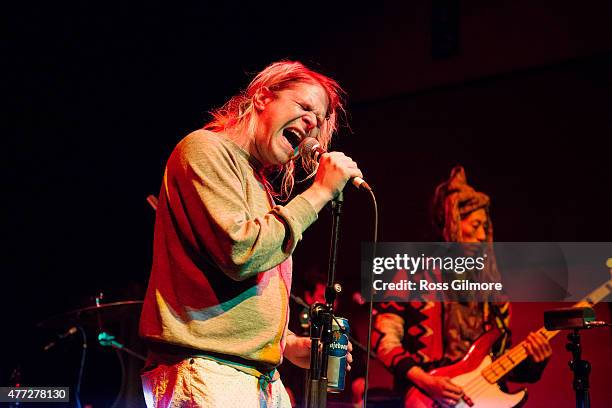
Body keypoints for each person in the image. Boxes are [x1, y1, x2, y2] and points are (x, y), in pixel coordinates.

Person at [139, 61, 358, 407]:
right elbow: (240, 254)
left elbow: (244, 286)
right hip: (207, 369)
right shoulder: (205, 149)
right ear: (261, 98)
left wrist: (285, 343)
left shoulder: (258, 184)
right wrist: (318, 194)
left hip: (257, 376)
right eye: (304, 108)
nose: (312, 124)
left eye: (318, 120)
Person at [372, 166, 553, 407]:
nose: (481, 236)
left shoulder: (493, 293)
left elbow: (500, 363)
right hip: (424, 398)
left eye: (485, 228)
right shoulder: (412, 275)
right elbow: (384, 341)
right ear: (453, 224)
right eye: (475, 225)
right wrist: (427, 382)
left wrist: (534, 362)